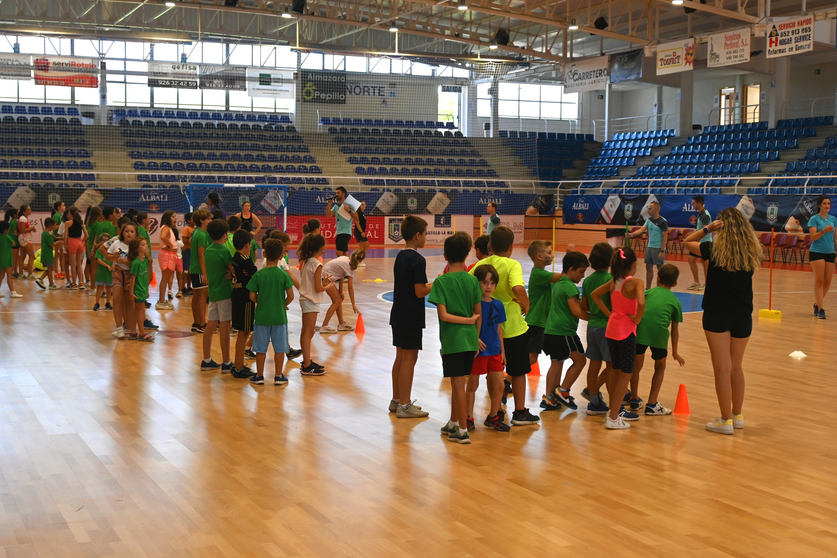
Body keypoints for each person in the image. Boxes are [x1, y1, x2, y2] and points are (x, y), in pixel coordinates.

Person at [684, 208, 761, 435]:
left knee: (722, 368)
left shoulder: (712, 249)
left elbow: (687, 241)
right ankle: (737, 416)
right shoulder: (751, 251)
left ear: (721, 225)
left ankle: (724, 420)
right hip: (743, 314)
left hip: (717, 313)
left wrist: (707, 228)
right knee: (736, 366)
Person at [470, 226, 538, 426]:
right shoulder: (512, 264)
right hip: (513, 328)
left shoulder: (481, 264)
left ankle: (496, 411)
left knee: (494, 372)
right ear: (511, 247)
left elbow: (469, 281)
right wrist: (526, 304)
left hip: (489, 330)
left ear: (489, 246)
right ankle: (520, 412)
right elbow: (517, 287)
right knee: (518, 371)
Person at [430, 232, 482, 444]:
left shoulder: (441, 281)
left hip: (453, 341)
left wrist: (466, 322)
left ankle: (462, 430)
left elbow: (443, 315)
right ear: (467, 254)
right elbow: (478, 313)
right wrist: (476, 337)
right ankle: (453, 421)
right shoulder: (472, 280)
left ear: (444, 256)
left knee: (458, 384)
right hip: (470, 341)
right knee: (457, 382)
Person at [591, 246, 646, 430]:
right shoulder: (636, 282)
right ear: (634, 265)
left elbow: (594, 295)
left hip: (612, 329)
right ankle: (614, 417)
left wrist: (610, 313)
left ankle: (613, 412)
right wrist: (637, 319)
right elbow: (641, 302)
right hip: (626, 331)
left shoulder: (614, 282)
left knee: (615, 370)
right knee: (626, 373)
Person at [389, 216, 432, 418]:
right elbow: (419, 291)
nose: (426, 237)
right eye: (425, 233)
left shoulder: (400, 255)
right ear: (417, 235)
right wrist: (436, 283)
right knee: (410, 358)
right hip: (410, 315)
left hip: (398, 313)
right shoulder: (418, 259)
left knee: (400, 356)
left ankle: (397, 399)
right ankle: (405, 405)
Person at [630, 263, 685, 415]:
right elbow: (675, 330)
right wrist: (675, 352)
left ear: (658, 278)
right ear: (675, 283)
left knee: (636, 367)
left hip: (640, 331)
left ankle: (634, 400)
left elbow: (637, 308)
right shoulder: (675, 302)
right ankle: (652, 404)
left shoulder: (647, 293)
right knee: (660, 366)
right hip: (659, 335)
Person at [541, 251, 589, 411]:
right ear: (571, 270)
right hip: (564, 331)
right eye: (581, 272)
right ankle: (563, 391)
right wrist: (594, 319)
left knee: (556, 363)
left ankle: (549, 398)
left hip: (551, 330)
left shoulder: (558, 283)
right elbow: (576, 311)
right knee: (581, 360)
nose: (582, 275)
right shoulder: (569, 287)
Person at [467, 264, 511, 432]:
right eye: (485, 282)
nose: (488, 286)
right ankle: (468, 417)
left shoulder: (498, 305)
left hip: (494, 351)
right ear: (477, 282)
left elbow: (499, 328)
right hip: (479, 352)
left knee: (499, 385)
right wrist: (475, 339)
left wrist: (502, 350)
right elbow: (471, 325)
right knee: (472, 385)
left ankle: (493, 416)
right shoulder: (473, 304)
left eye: (492, 283)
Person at [248, 238, 296, 386]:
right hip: (279, 317)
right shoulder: (283, 275)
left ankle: (260, 376)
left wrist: (260, 302)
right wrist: (282, 304)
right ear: (281, 255)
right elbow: (291, 296)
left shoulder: (259, 275)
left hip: (262, 317)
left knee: (261, 349)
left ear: (264, 254)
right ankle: (278, 376)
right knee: (280, 348)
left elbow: (251, 295)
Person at [580, 242, 615, 415]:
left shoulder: (587, 281)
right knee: (611, 367)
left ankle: (594, 402)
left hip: (592, 326)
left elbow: (584, 305)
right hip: (608, 327)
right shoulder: (611, 280)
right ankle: (616, 405)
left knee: (594, 365)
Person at [201, 219, 234, 372]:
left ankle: (206, 359)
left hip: (213, 292)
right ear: (224, 234)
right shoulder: (224, 251)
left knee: (210, 325)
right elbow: (233, 269)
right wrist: (231, 272)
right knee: (225, 327)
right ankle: (226, 362)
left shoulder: (208, 250)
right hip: (225, 293)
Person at [297, 233, 332, 376]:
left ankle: (307, 361)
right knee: (308, 332)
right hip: (311, 300)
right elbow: (318, 288)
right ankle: (307, 364)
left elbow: (313, 283)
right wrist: (327, 286)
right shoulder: (317, 264)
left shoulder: (306, 261)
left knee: (306, 331)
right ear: (321, 248)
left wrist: (322, 284)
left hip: (305, 298)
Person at [525, 240, 562, 368]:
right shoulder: (539, 274)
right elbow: (563, 276)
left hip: (542, 322)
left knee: (556, 354)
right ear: (539, 256)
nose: (552, 255)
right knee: (532, 357)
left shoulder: (540, 274)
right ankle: (509, 380)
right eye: (549, 253)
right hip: (536, 322)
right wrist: (570, 258)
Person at [230, 230, 259, 379]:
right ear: (248, 245)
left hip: (237, 295)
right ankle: (239, 366)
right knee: (244, 333)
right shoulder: (245, 259)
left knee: (242, 332)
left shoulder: (235, 257)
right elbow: (255, 272)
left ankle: (238, 364)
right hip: (245, 298)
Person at [319, 250, 365, 333]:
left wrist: (340, 291)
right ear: (360, 261)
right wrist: (353, 305)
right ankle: (324, 326)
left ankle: (341, 324)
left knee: (339, 299)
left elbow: (341, 275)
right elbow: (350, 288)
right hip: (325, 278)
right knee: (336, 301)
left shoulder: (345, 259)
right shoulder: (350, 267)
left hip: (324, 276)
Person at [807, 196, 837, 319]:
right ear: (819, 205)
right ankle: (821, 309)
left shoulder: (833, 219)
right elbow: (813, 237)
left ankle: (816, 304)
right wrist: (824, 230)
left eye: (828, 203)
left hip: (830, 252)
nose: (827, 205)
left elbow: (835, 238)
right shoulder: (814, 219)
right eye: (824, 203)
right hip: (817, 252)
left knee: (828, 281)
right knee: (819, 280)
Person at [627, 201, 668, 289]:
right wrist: (631, 234)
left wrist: (661, 251)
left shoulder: (662, 222)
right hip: (650, 247)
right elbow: (641, 230)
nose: (648, 210)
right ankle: (648, 288)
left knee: (660, 270)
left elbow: (665, 238)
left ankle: (659, 289)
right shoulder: (649, 220)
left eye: (650, 209)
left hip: (658, 248)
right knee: (648, 268)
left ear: (655, 209)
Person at [107, 221, 137, 339]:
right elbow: (107, 256)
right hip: (118, 273)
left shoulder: (135, 246)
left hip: (130, 275)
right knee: (117, 299)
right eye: (127, 231)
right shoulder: (116, 243)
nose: (129, 233)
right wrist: (114, 257)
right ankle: (119, 327)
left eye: (132, 231)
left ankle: (128, 327)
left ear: (135, 234)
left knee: (129, 301)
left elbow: (136, 262)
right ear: (122, 232)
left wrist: (124, 261)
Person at [189, 209, 212, 333]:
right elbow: (201, 255)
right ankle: (202, 323)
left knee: (197, 295)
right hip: (199, 269)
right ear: (202, 220)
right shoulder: (201, 235)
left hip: (194, 268)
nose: (210, 220)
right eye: (208, 219)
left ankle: (196, 322)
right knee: (203, 295)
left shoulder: (198, 232)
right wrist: (204, 273)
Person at [127, 237, 153, 342]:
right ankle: (142, 333)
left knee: (139, 311)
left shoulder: (145, 261)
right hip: (138, 290)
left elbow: (145, 276)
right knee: (140, 311)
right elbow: (133, 278)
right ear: (137, 248)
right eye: (143, 245)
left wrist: (146, 289)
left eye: (146, 244)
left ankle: (133, 332)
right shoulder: (136, 263)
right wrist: (131, 292)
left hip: (143, 289)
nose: (146, 246)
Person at [687, 196, 712, 291]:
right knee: (691, 259)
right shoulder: (700, 214)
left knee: (705, 262)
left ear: (699, 203)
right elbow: (699, 229)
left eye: (693, 203)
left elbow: (705, 230)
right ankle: (696, 282)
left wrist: (695, 234)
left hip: (705, 242)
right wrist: (692, 233)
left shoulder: (705, 215)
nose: (692, 205)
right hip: (699, 242)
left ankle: (707, 283)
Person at [326, 187, 357, 257]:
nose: (336, 194)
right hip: (339, 232)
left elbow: (356, 217)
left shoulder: (350, 205)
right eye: (336, 193)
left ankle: (344, 266)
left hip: (346, 232)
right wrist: (329, 204)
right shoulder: (336, 206)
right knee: (344, 253)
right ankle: (349, 266)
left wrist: (349, 211)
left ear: (344, 194)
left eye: (338, 193)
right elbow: (328, 215)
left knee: (339, 252)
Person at [157, 210, 178, 310]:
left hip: (170, 255)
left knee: (167, 278)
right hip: (167, 255)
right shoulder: (165, 228)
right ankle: (161, 301)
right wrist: (170, 245)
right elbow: (163, 237)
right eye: (173, 217)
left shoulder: (168, 228)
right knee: (165, 279)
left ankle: (162, 300)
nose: (175, 219)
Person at [35, 218, 61, 291]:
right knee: (50, 269)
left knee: (50, 269)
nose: (53, 228)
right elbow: (52, 244)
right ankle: (51, 284)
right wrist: (59, 242)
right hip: (48, 254)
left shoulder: (44, 233)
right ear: (50, 226)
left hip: (45, 254)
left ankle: (41, 279)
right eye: (53, 226)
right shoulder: (47, 235)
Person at [0, 221, 22, 298]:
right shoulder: (6, 236)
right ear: (6, 230)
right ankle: (13, 291)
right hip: (7, 259)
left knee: (1, 276)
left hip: (1, 260)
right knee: (9, 276)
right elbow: (13, 243)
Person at [93, 232, 114, 311]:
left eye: (107, 240)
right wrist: (107, 266)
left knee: (109, 288)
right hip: (101, 272)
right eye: (103, 240)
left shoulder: (111, 250)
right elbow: (98, 260)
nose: (105, 242)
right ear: (100, 241)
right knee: (100, 287)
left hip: (109, 272)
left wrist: (112, 266)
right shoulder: (99, 250)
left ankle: (108, 303)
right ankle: (97, 303)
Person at [17, 205, 36, 279]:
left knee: (23, 256)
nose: (30, 211)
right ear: (24, 212)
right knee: (32, 256)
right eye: (28, 210)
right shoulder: (23, 218)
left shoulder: (24, 218)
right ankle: (30, 274)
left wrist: (30, 229)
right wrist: (31, 228)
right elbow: (22, 230)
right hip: (25, 238)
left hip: (25, 238)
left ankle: (21, 273)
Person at [181, 212, 194, 296]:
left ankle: (189, 287)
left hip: (192, 251)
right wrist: (191, 236)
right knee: (186, 270)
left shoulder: (195, 229)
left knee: (190, 271)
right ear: (189, 220)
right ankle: (182, 287)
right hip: (187, 251)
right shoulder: (187, 229)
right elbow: (184, 241)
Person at [4, 209, 20, 279]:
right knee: (14, 258)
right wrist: (23, 233)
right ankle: (14, 272)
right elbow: (16, 233)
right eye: (17, 213)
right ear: (14, 215)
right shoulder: (14, 222)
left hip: (13, 241)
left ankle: (15, 272)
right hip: (14, 242)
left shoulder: (12, 222)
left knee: (15, 257)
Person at [52, 201, 66, 278]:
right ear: (59, 207)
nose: (65, 207)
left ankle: (63, 271)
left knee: (62, 254)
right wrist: (62, 226)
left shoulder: (61, 215)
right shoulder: (56, 216)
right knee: (57, 254)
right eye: (63, 205)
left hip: (61, 237)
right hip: (57, 237)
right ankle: (56, 272)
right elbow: (53, 227)